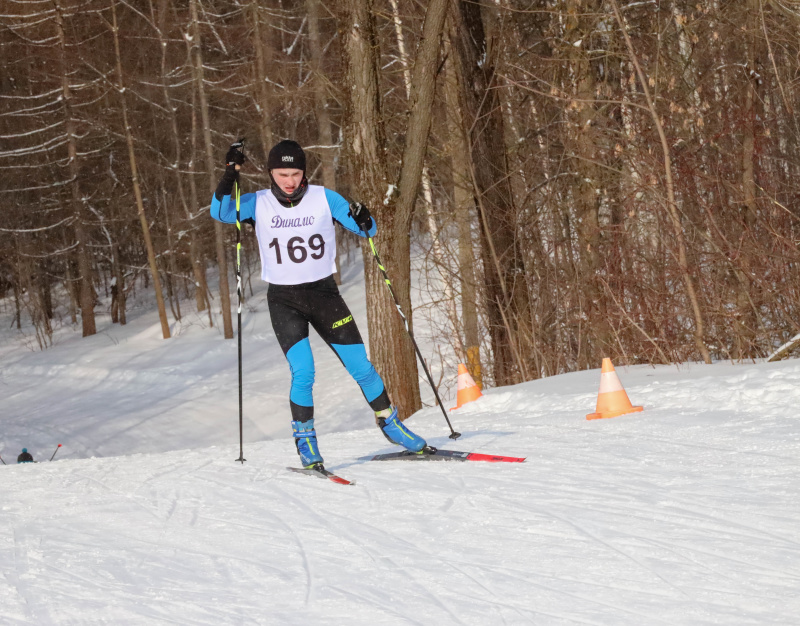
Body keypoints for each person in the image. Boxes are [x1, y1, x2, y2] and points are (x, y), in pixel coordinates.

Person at [210, 140, 427, 470]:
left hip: (324, 296)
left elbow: (368, 229)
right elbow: (221, 212)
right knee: (304, 372)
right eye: (283, 173)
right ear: (271, 173)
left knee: (362, 367)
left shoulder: (325, 198)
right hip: (285, 301)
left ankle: (390, 422)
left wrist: (364, 217)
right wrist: (230, 173)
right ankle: (305, 438)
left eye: (296, 173)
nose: (290, 180)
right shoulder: (258, 203)